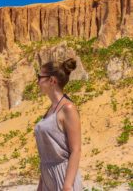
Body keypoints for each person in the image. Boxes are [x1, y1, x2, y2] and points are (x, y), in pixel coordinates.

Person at [34, 58, 83, 191]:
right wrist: (41, 184)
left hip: (63, 177)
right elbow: (47, 156)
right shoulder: (51, 109)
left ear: (52, 80)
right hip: (47, 178)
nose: (37, 81)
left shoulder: (68, 108)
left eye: (39, 77)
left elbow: (76, 150)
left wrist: (67, 186)